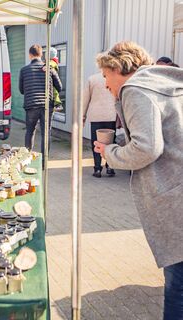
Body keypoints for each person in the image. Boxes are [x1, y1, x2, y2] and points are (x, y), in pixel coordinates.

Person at [93, 41, 183, 319]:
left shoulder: (134, 89)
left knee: (178, 286)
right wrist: (123, 140)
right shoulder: (168, 84)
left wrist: (111, 152)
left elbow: (147, 148)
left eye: (106, 75)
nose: (105, 83)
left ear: (118, 68)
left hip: (175, 197)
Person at [19, 44, 62, 158]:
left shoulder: (24, 70)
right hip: (47, 105)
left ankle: (27, 157)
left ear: (30, 55)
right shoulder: (49, 69)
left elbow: (21, 90)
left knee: (30, 131)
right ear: (41, 54)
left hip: (31, 105)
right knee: (45, 133)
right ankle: (44, 161)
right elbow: (60, 87)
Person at [83, 72, 117, 177]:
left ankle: (97, 169)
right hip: (111, 115)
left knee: (96, 142)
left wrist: (82, 116)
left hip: (96, 115)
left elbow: (85, 99)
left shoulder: (92, 79)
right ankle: (110, 166)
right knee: (110, 142)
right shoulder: (115, 77)